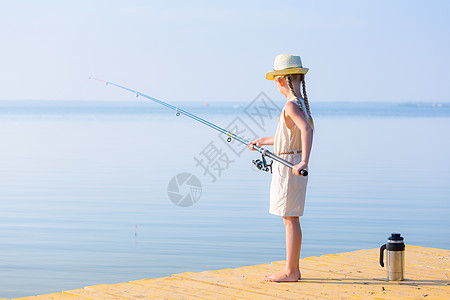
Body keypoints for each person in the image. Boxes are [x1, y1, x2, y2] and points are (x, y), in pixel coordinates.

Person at [248, 54, 314, 282]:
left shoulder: (289, 105)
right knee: (291, 217)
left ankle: (291, 271)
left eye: (276, 79)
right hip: (290, 163)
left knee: (290, 218)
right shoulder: (300, 104)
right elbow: (285, 137)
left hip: (290, 168)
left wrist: (304, 161)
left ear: (282, 81)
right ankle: (292, 269)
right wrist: (261, 140)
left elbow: (307, 131)